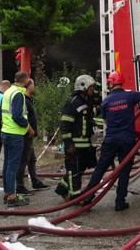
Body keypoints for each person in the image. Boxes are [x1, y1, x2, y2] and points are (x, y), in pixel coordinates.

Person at [81, 72, 140, 211]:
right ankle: (120, 202)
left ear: (110, 83)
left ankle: (88, 198)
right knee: (124, 170)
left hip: (111, 140)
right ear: (122, 82)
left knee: (100, 169)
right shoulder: (130, 95)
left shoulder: (106, 101)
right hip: (127, 140)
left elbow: (106, 121)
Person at [55, 74, 101, 202]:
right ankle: (75, 196)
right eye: (90, 87)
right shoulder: (72, 102)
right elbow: (65, 124)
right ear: (83, 87)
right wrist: (68, 144)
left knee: (80, 169)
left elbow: (90, 115)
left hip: (85, 144)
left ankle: (62, 188)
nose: (92, 89)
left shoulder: (85, 101)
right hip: (75, 145)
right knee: (74, 171)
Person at [0, 71, 35, 207]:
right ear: (25, 80)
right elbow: (17, 116)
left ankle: (7, 193)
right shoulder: (18, 94)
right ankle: (12, 197)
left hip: (6, 132)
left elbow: (1, 113)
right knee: (13, 165)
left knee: (7, 164)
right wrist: (29, 128)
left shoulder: (8, 92)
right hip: (15, 134)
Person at [16, 79, 50, 194]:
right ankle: (20, 186)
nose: (34, 87)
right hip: (26, 134)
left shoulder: (29, 100)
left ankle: (35, 182)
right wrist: (30, 130)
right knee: (23, 160)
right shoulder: (24, 100)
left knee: (31, 159)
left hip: (29, 135)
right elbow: (23, 118)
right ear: (30, 86)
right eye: (33, 85)